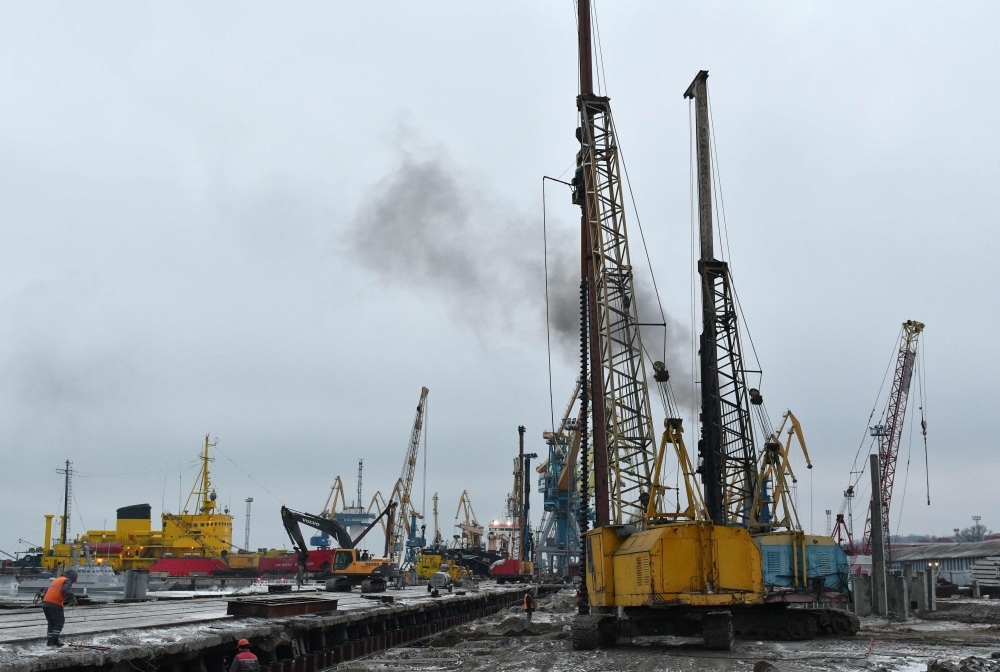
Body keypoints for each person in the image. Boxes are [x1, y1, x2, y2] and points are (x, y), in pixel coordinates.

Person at [42, 568, 77, 647]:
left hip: (46, 603)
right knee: (59, 622)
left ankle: (49, 641)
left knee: (51, 623)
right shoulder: (67, 580)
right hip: (55, 603)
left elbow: (48, 591)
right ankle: (54, 641)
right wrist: (73, 597)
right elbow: (66, 590)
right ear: (72, 577)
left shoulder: (57, 580)